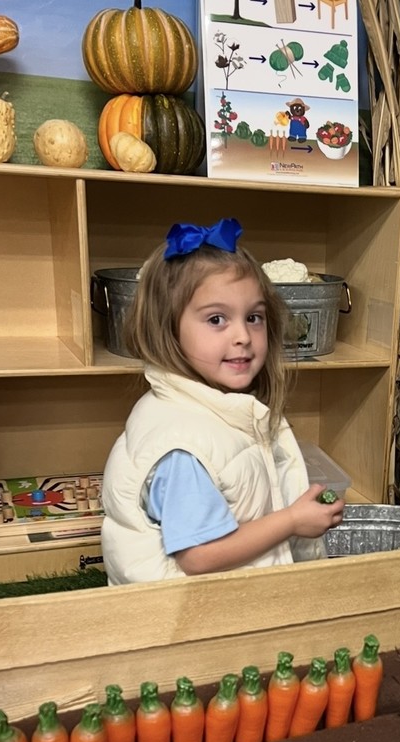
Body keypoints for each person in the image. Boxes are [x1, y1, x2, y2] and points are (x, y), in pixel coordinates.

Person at [101, 217, 344, 584]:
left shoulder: (215, 409)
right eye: (216, 319)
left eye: (254, 317)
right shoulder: (183, 448)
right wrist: (292, 521)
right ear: (168, 329)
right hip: (190, 614)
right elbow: (200, 557)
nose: (243, 335)